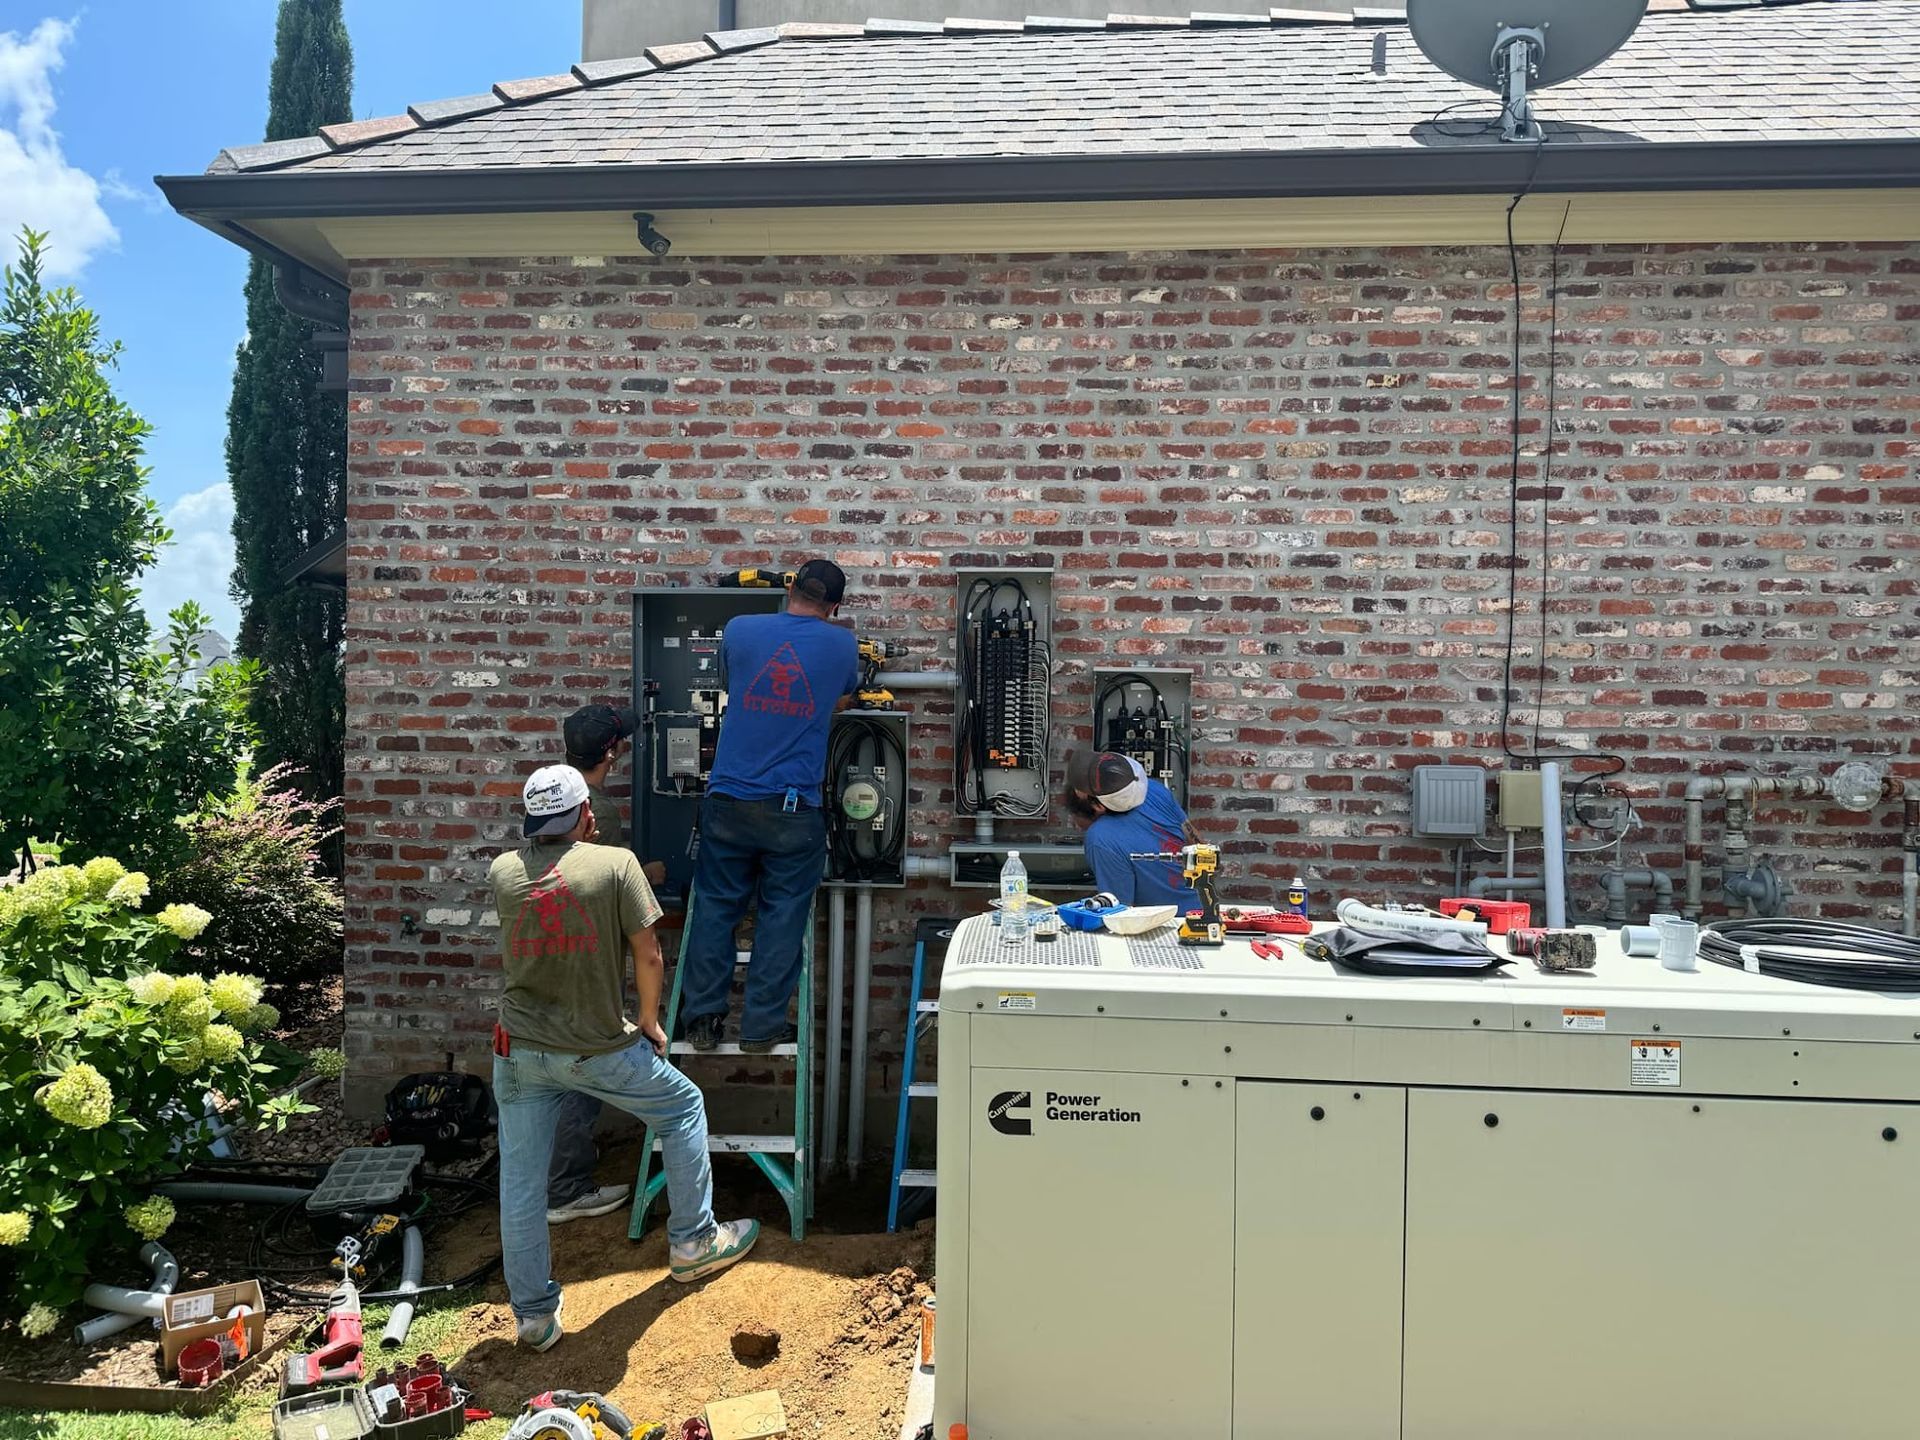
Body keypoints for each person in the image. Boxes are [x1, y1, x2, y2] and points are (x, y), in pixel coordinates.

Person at [489, 764, 758, 1352]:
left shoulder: (504, 871)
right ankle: (693, 1242)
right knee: (683, 1106)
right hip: (595, 1049)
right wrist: (649, 1021)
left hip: (519, 1051)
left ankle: (534, 1318)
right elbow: (650, 953)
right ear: (586, 814)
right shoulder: (616, 864)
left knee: (523, 1183)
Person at [679, 559, 860, 1052]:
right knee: (781, 917)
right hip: (792, 809)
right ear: (835, 605)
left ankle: (701, 1022)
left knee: (715, 910)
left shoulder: (739, 630)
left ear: (790, 590)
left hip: (729, 800)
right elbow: (844, 694)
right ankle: (760, 1029)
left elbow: (732, 682)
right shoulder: (842, 643)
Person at [538, 704, 668, 1225]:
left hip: (545, 951)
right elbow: (603, 888)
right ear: (613, 752)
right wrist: (646, 873)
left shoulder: (548, 797)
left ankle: (546, 1176)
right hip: (587, 958)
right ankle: (565, 1190)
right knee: (582, 1071)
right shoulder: (599, 813)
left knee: (553, 1066)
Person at [1064, 750, 1201, 909]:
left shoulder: (1101, 838)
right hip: (1204, 910)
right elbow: (1199, 844)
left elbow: (1121, 912)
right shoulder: (1155, 791)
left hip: (1167, 927)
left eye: (1078, 789)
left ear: (1098, 806)